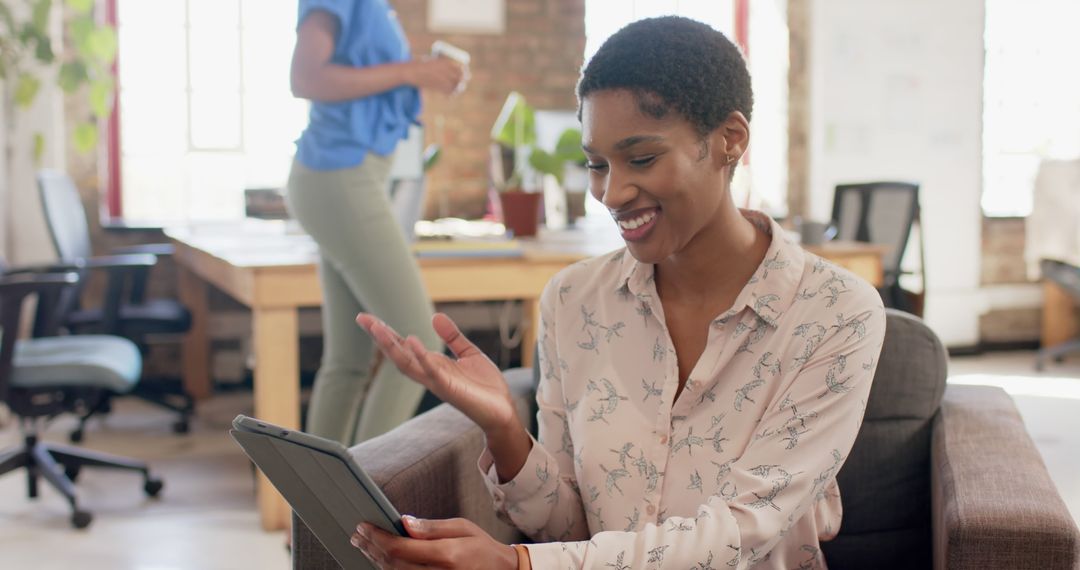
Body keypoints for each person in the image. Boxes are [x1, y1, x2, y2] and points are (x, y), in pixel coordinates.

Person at [349, 16, 886, 569]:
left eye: (643, 158)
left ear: (730, 140)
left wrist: (517, 566)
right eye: (596, 164)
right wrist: (505, 429)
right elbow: (568, 528)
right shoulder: (573, 300)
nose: (612, 191)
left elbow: (742, 533)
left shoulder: (835, 313)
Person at [286, 0, 467, 445]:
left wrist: (422, 72)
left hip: (345, 177)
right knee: (418, 348)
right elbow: (306, 77)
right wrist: (412, 72)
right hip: (340, 176)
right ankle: (366, 494)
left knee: (348, 359)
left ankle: (316, 507)